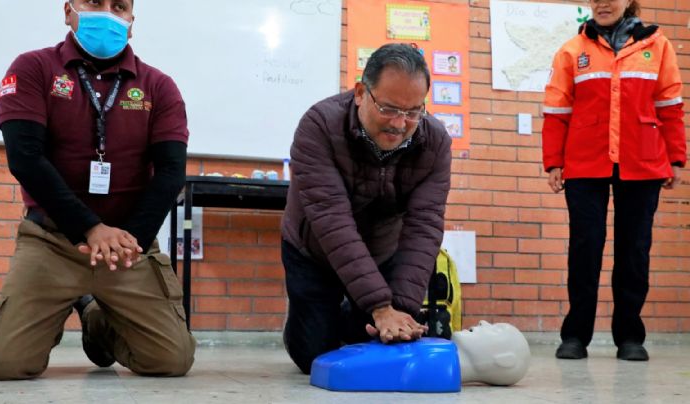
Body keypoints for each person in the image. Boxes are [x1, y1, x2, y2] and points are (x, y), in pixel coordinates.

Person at [0, 0, 196, 380]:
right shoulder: (33, 68)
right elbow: (25, 158)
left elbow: (171, 172)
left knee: (171, 361)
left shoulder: (159, 86)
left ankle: (95, 320)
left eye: (119, 6)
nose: (107, 13)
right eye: (94, 2)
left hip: (128, 245)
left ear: (131, 22)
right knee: (6, 365)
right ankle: (44, 316)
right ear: (68, 10)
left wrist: (131, 240)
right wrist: (90, 228)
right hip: (53, 240)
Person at [281, 43, 452, 374]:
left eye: (414, 111)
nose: (400, 124)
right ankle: (307, 321)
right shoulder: (319, 126)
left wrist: (399, 310)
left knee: (381, 344)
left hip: (382, 249)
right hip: (315, 249)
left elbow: (425, 226)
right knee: (314, 357)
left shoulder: (436, 142)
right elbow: (332, 221)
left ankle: (351, 314)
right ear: (361, 92)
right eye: (388, 109)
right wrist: (379, 305)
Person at [542, 0, 685, 361]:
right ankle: (575, 336)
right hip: (584, 161)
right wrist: (553, 162)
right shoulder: (572, 51)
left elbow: (670, 107)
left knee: (634, 251)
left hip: (643, 160)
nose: (602, 2)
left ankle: (630, 337)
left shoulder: (658, 46)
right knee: (585, 249)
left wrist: (677, 158)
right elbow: (557, 111)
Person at [310, 321, 531, 392]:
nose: (483, 323)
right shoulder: (441, 351)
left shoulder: (441, 362)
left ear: (504, 360)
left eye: (496, 329)